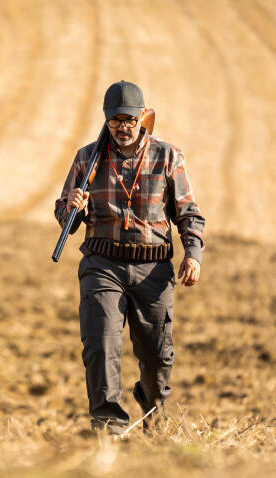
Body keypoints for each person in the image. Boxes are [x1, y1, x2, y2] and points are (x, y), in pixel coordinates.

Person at [54, 80, 205, 434]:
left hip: (154, 269)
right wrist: (73, 207)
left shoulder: (168, 156)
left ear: (142, 118)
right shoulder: (86, 158)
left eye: (129, 120)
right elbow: (65, 219)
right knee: (101, 345)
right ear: (106, 120)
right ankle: (108, 429)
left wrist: (193, 254)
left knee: (157, 358)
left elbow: (189, 213)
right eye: (115, 120)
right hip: (101, 264)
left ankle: (153, 409)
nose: (122, 127)